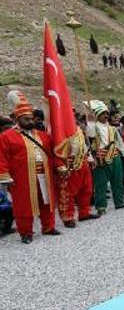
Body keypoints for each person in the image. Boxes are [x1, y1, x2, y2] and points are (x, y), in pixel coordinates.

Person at [0, 91, 65, 243]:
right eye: (26, 119)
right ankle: (26, 232)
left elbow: (53, 153)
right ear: (17, 119)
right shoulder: (6, 136)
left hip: (45, 174)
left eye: (31, 118)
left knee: (46, 201)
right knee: (23, 206)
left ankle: (48, 227)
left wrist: (59, 166)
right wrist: (4, 175)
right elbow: (1, 157)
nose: (30, 121)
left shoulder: (43, 135)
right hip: (21, 177)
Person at [86, 100, 124, 216]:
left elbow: (120, 144)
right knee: (100, 183)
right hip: (101, 157)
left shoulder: (113, 129)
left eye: (106, 114)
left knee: (118, 180)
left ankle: (119, 202)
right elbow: (90, 135)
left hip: (115, 156)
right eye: (103, 114)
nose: (106, 116)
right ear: (97, 115)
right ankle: (101, 206)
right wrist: (91, 121)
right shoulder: (93, 127)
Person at [57, 118, 98, 227]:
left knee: (87, 189)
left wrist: (90, 159)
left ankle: (84, 213)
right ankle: (68, 217)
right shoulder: (62, 131)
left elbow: (84, 147)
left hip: (83, 163)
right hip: (72, 165)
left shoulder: (79, 130)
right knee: (69, 192)